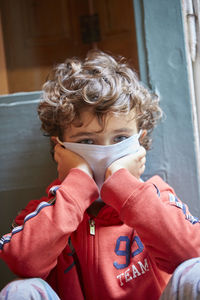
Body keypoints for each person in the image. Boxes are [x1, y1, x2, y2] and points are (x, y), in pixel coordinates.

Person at [0, 50, 200, 300]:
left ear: (141, 141)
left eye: (120, 138)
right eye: (87, 140)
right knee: (19, 292)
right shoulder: (47, 210)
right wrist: (76, 188)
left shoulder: (157, 197)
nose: (106, 151)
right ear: (60, 149)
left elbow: (190, 252)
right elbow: (23, 262)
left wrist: (125, 187)